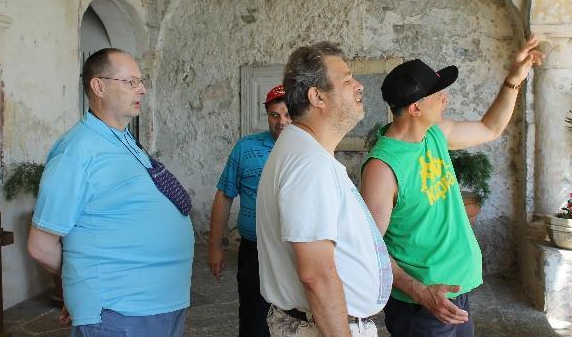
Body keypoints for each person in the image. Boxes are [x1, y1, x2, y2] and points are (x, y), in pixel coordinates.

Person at [360, 36, 544, 336]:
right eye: (437, 95)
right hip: (424, 305)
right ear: (416, 108)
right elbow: (370, 248)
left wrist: (513, 80)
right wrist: (421, 293)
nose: (445, 99)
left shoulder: (434, 135)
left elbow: (490, 128)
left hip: (457, 293)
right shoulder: (382, 168)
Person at [28, 48, 194, 337]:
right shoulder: (76, 151)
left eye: (141, 81)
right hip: (119, 310)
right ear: (99, 86)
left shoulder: (123, 139)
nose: (141, 89)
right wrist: (79, 282)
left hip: (161, 303)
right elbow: (40, 245)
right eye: (130, 82)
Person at [257, 42, 393, 337]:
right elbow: (316, 275)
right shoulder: (309, 164)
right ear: (317, 96)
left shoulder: (307, 153)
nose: (359, 86)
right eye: (346, 80)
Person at [208, 84, 291, 337]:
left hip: (293, 253)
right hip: (254, 251)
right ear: (267, 115)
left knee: (294, 318)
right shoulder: (246, 148)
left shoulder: (308, 148)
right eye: (274, 115)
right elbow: (224, 195)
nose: (281, 121)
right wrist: (214, 246)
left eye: (287, 114)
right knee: (254, 318)